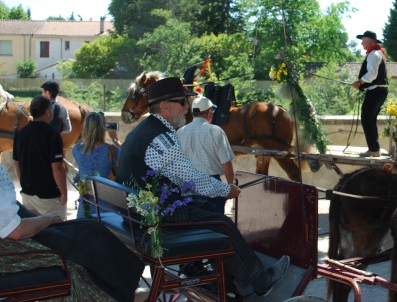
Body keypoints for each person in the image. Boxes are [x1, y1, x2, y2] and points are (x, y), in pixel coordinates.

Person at [116, 77, 290, 297]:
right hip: (155, 216)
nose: (187, 107)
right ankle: (258, 280)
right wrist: (227, 189)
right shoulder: (161, 137)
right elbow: (192, 178)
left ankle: (215, 273)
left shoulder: (145, 130)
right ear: (164, 106)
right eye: (182, 102)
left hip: (138, 212)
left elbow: (182, 179)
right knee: (222, 223)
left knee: (205, 209)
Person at [0, 163, 145, 302]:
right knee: (89, 237)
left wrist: (36, 217)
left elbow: (8, 215)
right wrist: (49, 218)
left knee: (88, 228)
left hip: (17, 241)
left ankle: (125, 289)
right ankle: (121, 294)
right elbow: (16, 231)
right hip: (16, 250)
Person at [177, 96, 235, 214]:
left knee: (192, 224)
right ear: (209, 112)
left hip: (187, 186)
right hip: (211, 185)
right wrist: (230, 186)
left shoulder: (180, 132)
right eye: (212, 111)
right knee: (214, 226)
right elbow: (226, 164)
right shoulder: (216, 131)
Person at [13, 95, 67, 220]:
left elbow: (16, 162)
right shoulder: (52, 134)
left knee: (36, 237)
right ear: (48, 111)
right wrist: (64, 192)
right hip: (49, 197)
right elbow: (58, 167)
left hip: (27, 195)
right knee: (57, 232)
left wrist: (25, 184)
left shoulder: (21, 133)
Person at [72, 112, 122, 218]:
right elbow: (127, 156)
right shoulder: (112, 150)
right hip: (107, 211)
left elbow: (85, 144)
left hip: (85, 209)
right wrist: (115, 139)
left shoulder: (76, 149)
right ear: (103, 129)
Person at [351, 30, 388, 157]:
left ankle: (373, 149)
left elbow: (372, 75)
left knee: (367, 119)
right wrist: (361, 84)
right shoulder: (378, 53)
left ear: (370, 40)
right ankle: (374, 148)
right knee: (370, 119)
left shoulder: (373, 54)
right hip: (379, 91)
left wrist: (359, 82)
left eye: (363, 40)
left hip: (376, 91)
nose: (361, 43)